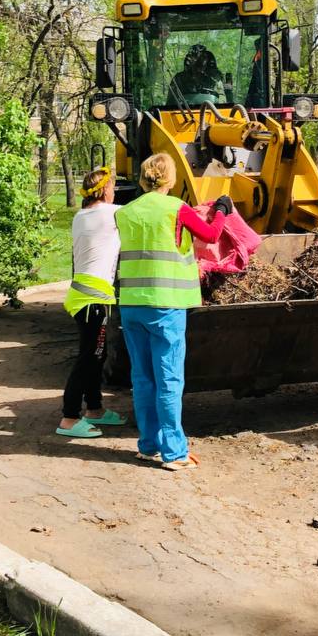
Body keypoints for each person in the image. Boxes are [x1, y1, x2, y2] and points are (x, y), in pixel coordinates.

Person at [115, 152, 233, 471]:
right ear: (170, 178)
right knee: (169, 377)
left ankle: (148, 445)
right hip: (165, 304)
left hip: (131, 304)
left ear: (142, 178)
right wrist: (221, 210)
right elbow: (209, 236)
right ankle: (175, 452)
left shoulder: (126, 212)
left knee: (143, 378)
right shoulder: (175, 208)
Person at [57, 167, 127, 439]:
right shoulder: (112, 213)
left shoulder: (81, 215)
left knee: (98, 356)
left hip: (85, 295)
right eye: (112, 187)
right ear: (104, 190)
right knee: (88, 358)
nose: (114, 191)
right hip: (92, 299)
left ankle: (95, 409)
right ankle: (69, 417)